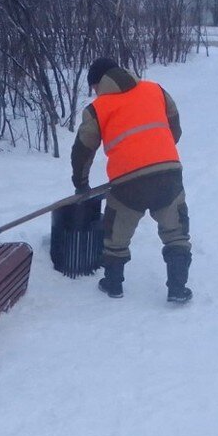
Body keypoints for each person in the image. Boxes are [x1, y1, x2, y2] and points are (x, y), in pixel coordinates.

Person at [71, 57, 192, 303]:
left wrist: (81, 184)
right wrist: (160, 151)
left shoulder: (97, 108)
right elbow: (174, 124)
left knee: (116, 235)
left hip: (126, 183)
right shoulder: (155, 89)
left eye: (94, 87)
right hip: (168, 174)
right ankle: (178, 289)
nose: (95, 92)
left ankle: (113, 285)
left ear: (98, 83)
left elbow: (83, 150)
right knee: (176, 232)